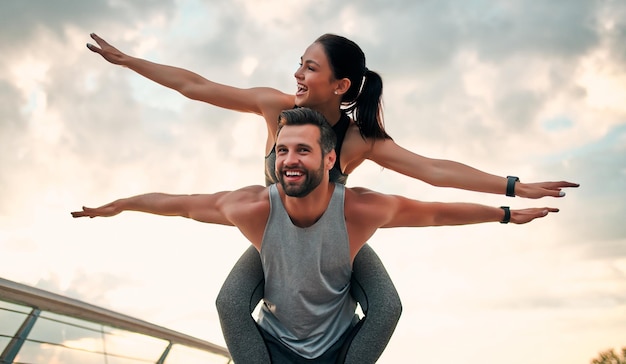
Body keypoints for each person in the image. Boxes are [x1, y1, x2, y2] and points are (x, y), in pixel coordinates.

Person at [86, 33, 578, 362]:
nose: (298, 75)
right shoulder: (275, 106)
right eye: (299, 65)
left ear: (339, 84)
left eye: (310, 68)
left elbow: (432, 172)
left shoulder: (359, 137)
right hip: (277, 234)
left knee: (385, 305)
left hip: (339, 238)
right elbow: (196, 86)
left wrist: (513, 188)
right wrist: (129, 61)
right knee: (230, 301)